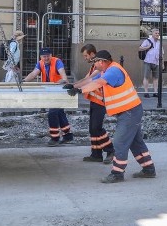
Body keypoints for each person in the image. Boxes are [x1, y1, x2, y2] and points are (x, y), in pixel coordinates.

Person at [68, 50, 156, 183]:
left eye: (95, 62)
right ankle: (149, 169)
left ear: (102, 62)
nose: (94, 65)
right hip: (129, 111)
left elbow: (98, 83)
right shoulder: (106, 70)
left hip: (130, 111)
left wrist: (80, 90)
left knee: (120, 142)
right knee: (135, 142)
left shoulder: (113, 71)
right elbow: (91, 80)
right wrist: (74, 86)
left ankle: (117, 173)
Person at [67, 44, 115, 164]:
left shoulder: (100, 66)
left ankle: (110, 150)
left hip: (101, 102)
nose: (85, 58)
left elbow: (90, 80)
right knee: (92, 129)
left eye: (86, 55)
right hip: (95, 101)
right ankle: (96, 154)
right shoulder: (94, 66)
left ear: (92, 54)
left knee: (96, 128)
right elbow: (85, 79)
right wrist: (73, 85)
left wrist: (76, 88)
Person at [23, 47, 75, 146]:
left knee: (52, 113)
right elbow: (34, 73)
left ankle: (55, 138)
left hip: (59, 91)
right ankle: (68, 136)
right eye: (44, 56)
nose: (46, 58)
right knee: (59, 113)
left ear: (51, 55)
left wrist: (62, 80)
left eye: (48, 56)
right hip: (50, 92)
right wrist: (24, 81)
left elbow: (63, 75)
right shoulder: (40, 63)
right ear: (40, 57)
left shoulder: (57, 62)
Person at [139, 28, 161, 98]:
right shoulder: (147, 41)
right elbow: (140, 48)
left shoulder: (159, 42)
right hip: (148, 61)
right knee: (146, 77)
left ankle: (155, 92)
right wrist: (148, 47)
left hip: (156, 62)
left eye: (158, 33)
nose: (157, 34)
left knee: (156, 78)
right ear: (152, 34)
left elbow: (162, 53)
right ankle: (146, 92)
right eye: (156, 33)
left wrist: (162, 63)